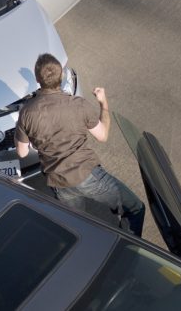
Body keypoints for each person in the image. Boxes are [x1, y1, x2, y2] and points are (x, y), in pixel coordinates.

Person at [15, 54, 145, 236]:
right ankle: (128, 247)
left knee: (78, 226)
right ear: (61, 77)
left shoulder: (26, 112)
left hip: (58, 182)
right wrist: (103, 103)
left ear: (37, 80)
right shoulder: (78, 105)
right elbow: (103, 135)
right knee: (135, 208)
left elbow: (21, 152)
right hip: (87, 174)